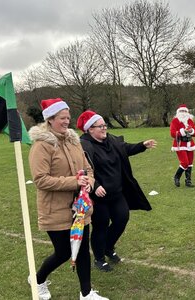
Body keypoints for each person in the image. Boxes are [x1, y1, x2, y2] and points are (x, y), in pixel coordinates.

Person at [28, 99, 108, 300]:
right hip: (55, 210)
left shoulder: (74, 141)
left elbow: (87, 168)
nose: (67, 121)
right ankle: (38, 280)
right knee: (64, 252)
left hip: (80, 208)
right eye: (62, 118)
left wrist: (89, 181)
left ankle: (87, 293)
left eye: (68, 118)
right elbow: (41, 180)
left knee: (82, 250)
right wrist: (74, 181)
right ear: (50, 119)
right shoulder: (41, 146)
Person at [77, 110, 156, 272]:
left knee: (122, 218)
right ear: (90, 129)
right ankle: (99, 258)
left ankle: (108, 247)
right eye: (100, 126)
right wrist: (96, 185)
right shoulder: (84, 146)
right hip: (98, 195)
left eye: (104, 125)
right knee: (101, 225)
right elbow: (83, 170)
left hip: (116, 192)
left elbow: (125, 148)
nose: (104, 128)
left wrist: (142, 146)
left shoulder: (110, 140)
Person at [170, 104, 195, 187]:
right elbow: (172, 133)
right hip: (180, 144)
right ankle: (176, 177)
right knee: (184, 162)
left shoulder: (190, 121)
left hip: (190, 144)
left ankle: (188, 181)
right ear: (178, 112)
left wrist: (191, 130)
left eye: (185, 111)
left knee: (190, 163)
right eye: (181, 111)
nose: (183, 113)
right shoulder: (175, 121)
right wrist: (183, 131)